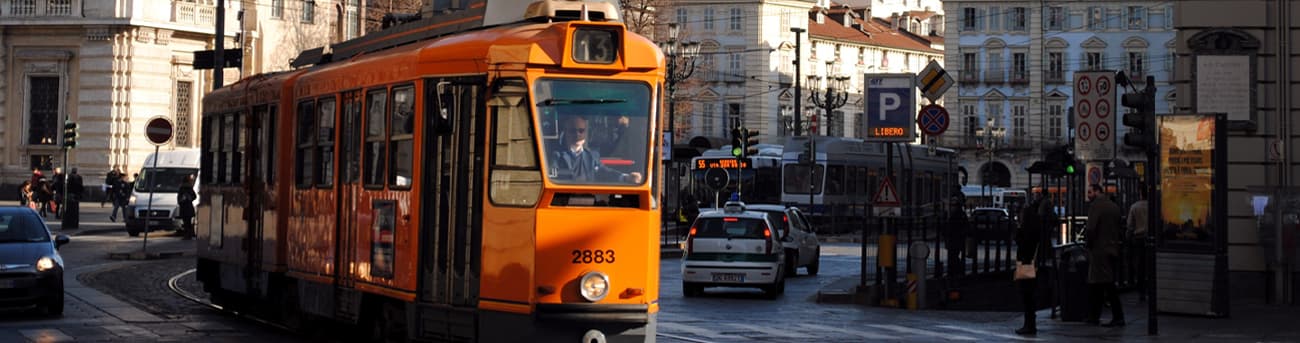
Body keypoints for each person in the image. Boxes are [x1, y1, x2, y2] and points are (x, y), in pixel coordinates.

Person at [548, 115, 642, 184]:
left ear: (585, 133)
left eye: (581, 130)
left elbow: (604, 172)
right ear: (566, 133)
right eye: (573, 131)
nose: (577, 135)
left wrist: (626, 177)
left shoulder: (592, 156)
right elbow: (552, 175)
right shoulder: (555, 155)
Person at [1085, 184, 1125, 327]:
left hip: (1099, 250)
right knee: (1100, 284)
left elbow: (1090, 228)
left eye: (1090, 192)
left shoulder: (1096, 206)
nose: (1088, 195)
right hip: (1112, 248)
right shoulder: (1114, 206)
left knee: (1105, 283)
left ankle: (1117, 316)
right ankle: (1094, 315)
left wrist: (1088, 245)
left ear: (1097, 192)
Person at [1014, 193, 1050, 335]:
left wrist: (1018, 231)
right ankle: (1030, 323)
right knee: (1029, 294)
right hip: (1031, 261)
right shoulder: (1035, 226)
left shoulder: (1027, 229)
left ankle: (1029, 325)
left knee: (1026, 293)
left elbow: (1021, 242)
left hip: (1027, 262)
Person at [1126, 189, 1149, 301]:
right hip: (1149, 238)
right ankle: (1150, 288)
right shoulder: (1153, 206)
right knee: (1149, 264)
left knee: (1139, 265)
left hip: (1138, 238)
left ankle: (1141, 291)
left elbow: (1130, 225)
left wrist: (1128, 237)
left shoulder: (1134, 207)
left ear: (1140, 194)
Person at [946, 197, 970, 277]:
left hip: (956, 238)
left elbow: (953, 227)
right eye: (951, 205)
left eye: (954, 205)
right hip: (955, 238)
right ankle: (956, 271)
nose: (952, 207)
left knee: (953, 256)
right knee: (953, 256)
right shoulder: (958, 214)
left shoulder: (958, 215)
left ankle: (955, 272)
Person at [177, 174, 197, 239]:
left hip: (184, 207)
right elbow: (194, 196)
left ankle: (187, 234)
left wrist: (182, 199)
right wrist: (190, 198)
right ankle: (189, 234)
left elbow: (179, 198)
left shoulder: (182, 188)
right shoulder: (190, 188)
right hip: (189, 207)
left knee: (186, 222)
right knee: (188, 222)